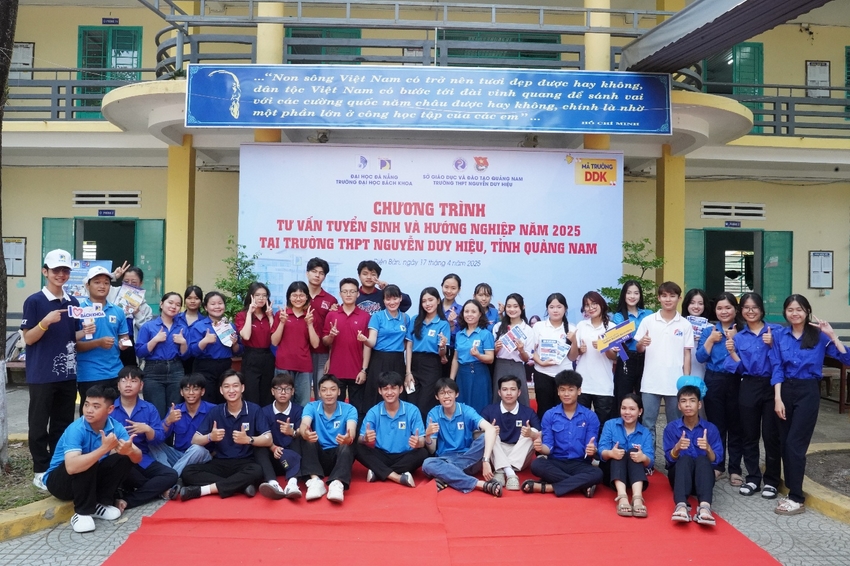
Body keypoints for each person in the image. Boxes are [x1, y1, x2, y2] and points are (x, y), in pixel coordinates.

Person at [770, 294, 850, 515]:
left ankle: (797, 497)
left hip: (808, 391)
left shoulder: (819, 336)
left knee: (795, 444)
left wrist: (832, 334)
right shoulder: (780, 335)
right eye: (790, 310)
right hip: (785, 391)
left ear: (807, 311)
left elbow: (846, 358)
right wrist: (777, 398)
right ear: (785, 312)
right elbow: (777, 367)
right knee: (785, 443)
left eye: (799, 309)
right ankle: (792, 491)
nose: (795, 313)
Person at [43, 384, 141, 533]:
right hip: (60, 483)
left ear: (110, 409)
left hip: (88, 480)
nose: (89, 410)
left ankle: (100, 503)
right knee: (88, 461)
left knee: (124, 457)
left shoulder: (115, 427)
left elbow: (137, 458)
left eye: (96, 406)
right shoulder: (76, 429)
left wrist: (130, 451)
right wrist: (104, 449)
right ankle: (82, 512)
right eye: (86, 404)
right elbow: (71, 467)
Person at [21, 249, 80, 491]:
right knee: (38, 424)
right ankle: (40, 469)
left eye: (65, 270)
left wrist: (88, 331)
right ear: (45, 271)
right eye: (56, 270)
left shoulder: (73, 302)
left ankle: (57, 466)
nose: (61, 274)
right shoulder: (34, 301)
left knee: (63, 423)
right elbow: (28, 338)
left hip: (67, 373)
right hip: (42, 373)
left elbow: (72, 336)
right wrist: (45, 322)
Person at [180, 370, 272, 501]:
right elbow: (195, 440)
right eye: (227, 386)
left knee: (257, 471)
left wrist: (248, 439)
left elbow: (268, 439)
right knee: (188, 472)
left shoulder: (254, 409)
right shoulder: (215, 411)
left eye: (235, 386)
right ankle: (241, 485)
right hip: (220, 462)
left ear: (242, 388)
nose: (231, 390)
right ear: (221, 390)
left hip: (245, 462)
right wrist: (210, 437)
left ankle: (202, 490)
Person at [724, 292, 781, 499]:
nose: (750, 311)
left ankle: (772, 481)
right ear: (741, 311)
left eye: (754, 307)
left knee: (771, 435)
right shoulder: (738, 337)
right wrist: (731, 351)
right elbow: (737, 368)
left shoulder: (776, 331)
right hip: (748, 385)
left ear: (761, 310)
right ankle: (753, 478)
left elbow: (783, 359)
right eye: (746, 308)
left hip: (772, 384)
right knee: (749, 434)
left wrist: (773, 344)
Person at [634, 281, 694, 453]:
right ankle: (648, 459)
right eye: (664, 296)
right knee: (647, 423)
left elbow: (687, 354)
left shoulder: (685, 324)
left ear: (679, 298)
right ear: (659, 298)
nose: (668, 299)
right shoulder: (648, 321)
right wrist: (642, 343)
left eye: (672, 296)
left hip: (675, 383)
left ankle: (673, 459)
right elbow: (639, 349)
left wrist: (686, 382)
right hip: (651, 382)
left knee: (675, 424)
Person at [524, 370, 602, 498]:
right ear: (558, 392)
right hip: (556, 462)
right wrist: (540, 447)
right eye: (562, 389)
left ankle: (548, 487)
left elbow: (591, 448)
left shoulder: (590, 416)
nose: (566, 394)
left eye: (571, 390)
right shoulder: (550, 415)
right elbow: (548, 448)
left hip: (580, 463)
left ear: (579, 391)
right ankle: (581, 486)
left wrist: (592, 450)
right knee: (537, 465)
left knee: (598, 474)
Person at [110, 366, 179, 510]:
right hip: (118, 460)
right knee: (128, 473)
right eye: (124, 381)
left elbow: (159, 438)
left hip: (143, 458)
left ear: (141, 385)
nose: (128, 385)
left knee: (171, 475)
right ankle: (158, 491)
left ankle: (128, 500)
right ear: (118, 385)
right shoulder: (110, 409)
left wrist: (147, 429)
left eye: (133, 381)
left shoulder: (149, 408)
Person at [421, 378, 502, 497]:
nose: (446, 396)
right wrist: (427, 436)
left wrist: (486, 461)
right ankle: (480, 484)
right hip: (446, 459)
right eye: (442, 393)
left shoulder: (466, 410)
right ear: (437, 397)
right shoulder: (434, 413)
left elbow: (490, 429)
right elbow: (432, 449)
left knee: (488, 435)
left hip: (469, 458)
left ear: (457, 394)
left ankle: (446, 476)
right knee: (427, 463)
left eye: (450, 392)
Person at [696, 292, 744, 485]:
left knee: (736, 425)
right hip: (714, 379)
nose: (724, 311)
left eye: (728, 307)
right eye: (720, 308)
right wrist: (710, 340)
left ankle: (735, 468)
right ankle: (718, 465)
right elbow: (700, 357)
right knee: (716, 425)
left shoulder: (743, 330)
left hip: (737, 379)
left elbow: (748, 359)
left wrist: (737, 340)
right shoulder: (709, 331)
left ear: (735, 309)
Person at [663, 379, 723, 525]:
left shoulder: (710, 428)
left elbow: (717, 460)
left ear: (699, 404)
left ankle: (704, 508)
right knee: (684, 459)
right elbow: (669, 460)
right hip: (679, 478)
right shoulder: (671, 428)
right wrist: (677, 448)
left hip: (703, 479)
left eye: (692, 401)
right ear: (679, 406)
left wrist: (708, 449)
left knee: (703, 460)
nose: (688, 405)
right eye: (683, 401)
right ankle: (681, 506)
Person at [356, 371, 428, 487]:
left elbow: (422, 440)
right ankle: (398, 477)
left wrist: (418, 443)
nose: (389, 392)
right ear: (380, 391)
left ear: (401, 389)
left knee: (423, 453)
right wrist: (365, 438)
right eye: (385, 389)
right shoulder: (374, 411)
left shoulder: (412, 410)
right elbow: (360, 439)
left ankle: (379, 472)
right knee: (357, 448)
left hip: (405, 455)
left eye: (393, 388)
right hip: (381, 454)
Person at [75, 265, 130, 414]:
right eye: (97, 282)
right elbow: (74, 345)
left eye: (106, 283)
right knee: (92, 416)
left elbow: (124, 337)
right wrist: (98, 343)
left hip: (116, 372)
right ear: (87, 285)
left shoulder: (118, 311)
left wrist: (124, 343)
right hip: (89, 374)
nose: (102, 286)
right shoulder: (79, 311)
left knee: (117, 415)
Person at [298, 374, 358, 504]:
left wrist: (348, 437)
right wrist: (305, 432)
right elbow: (304, 424)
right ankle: (315, 481)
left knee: (348, 444)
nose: (328, 393)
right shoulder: (311, 406)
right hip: (318, 457)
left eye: (333, 389)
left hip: (338, 457)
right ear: (319, 393)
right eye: (324, 390)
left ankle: (337, 483)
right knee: (305, 438)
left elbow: (351, 429)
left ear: (339, 391)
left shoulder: (350, 409)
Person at [480, 375, 540, 491]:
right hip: (498, 451)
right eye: (505, 389)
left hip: (520, 454)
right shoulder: (489, 410)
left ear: (519, 392)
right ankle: (510, 473)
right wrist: (489, 430)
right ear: (499, 392)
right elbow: (476, 434)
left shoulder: (528, 412)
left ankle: (501, 469)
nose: (508, 393)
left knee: (533, 431)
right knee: (490, 431)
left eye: (513, 389)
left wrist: (531, 434)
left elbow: (541, 435)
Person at [360, 284, 411, 419]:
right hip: (379, 360)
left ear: (400, 299)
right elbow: (372, 342)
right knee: (377, 394)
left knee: (397, 393)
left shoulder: (405, 318)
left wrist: (408, 372)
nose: (392, 302)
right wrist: (365, 340)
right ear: (383, 300)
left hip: (398, 361)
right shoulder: (377, 317)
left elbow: (407, 345)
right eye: (388, 299)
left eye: (395, 298)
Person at [135, 292, 189, 418]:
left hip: (176, 371)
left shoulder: (182, 328)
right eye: (170, 302)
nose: (173, 306)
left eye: (178, 305)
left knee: (174, 413)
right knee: (156, 413)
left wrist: (183, 343)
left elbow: (186, 356)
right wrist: (155, 340)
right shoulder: (148, 326)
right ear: (161, 304)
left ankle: (171, 433)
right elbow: (139, 352)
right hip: (153, 372)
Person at [598, 394, 653, 518]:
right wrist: (610, 453)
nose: (627, 412)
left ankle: (637, 498)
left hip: (634, 477)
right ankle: (622, 497)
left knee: (634, 452)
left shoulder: (645, 432)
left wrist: (643, 458)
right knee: (619, 451)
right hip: (612, 475)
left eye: (632, 409)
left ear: (640, 411)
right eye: (624, 408)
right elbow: (601, 450)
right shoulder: (610, 425)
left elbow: (650, 461)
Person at [568, 291, 617, 430]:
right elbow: (572, 357)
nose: (591, 308)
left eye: (594, 303)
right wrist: (577, 348)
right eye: (587, 305)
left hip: (603, 384)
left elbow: (614, 357)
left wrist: (604, 347)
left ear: (601, 304)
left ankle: (600, 446)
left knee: (603, 425)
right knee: (581, 424)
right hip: (583, 383)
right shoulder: (581, 326)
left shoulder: (611, 327)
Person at [323, 278, 372, 416]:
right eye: (345, 291)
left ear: (358, 294)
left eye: (352, 291)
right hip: (336, 372)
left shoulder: (365, 316)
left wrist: (364, 370)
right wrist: (331, 336)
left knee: (357, 411)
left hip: (357, 372)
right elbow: (325, 342)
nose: (348, 294)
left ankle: (355, 432)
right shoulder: (331, 315)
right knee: (335, 410)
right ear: (340, 294)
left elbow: (367, 346)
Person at [150, 372, 214, 477]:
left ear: (202, 392)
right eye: (187, 389)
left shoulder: (212, 410)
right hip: (178, 455)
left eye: (195, 389)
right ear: (181, 392)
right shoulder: (175, 410)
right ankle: (173, 473)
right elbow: (158, 435)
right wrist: (168, 421)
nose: (191, 393)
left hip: (201, 456)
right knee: (151, 442)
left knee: (198, 449)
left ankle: (169, 477)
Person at [271, 281, 320, 407]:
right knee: (283, 402)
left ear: (307, 297)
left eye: (301, 295)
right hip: (283, 364)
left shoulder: (311, 316)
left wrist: (309, 324)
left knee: (303, 403)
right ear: (289, 297)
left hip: (304, 366)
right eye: (294, 295)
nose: (298, 299)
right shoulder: (281, 314)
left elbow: (315, 344)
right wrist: (282, 322)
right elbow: (274, 341)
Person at [404, 287, 450, 418]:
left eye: (431, 300)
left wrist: (442, 346)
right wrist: (408, 372)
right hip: (413, 364)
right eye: (424, 301)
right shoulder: (415, 320)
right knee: (411, 401)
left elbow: (442, 354)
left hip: (432, 366)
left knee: (425, 404)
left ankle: (425, 430)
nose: (427, 304)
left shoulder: (443, 323)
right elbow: (409, 346)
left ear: (438, 301)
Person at [189, 291, 242, 404]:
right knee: (208, 401)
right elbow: (192, 352)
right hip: (205, 367)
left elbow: (238, 351)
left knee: (225, 400)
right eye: (213, 304)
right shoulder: (199, 326)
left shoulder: (230, 326)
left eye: (220, 303)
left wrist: (235, 344)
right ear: (205, 307)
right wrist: (205, 341)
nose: (217, 306)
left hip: (225, 366)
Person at [259, 372, 304, 499]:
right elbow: (263, 435)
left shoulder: (299, 410)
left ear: (293, 391)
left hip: (293, 458)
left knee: (300, 439)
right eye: (279, 389)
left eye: (287, 389)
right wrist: (272, 447)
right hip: (273, 457)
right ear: (272, 391)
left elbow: (303, 431)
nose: (283, 392)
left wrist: (292, 432)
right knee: (258, 448)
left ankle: (293, 483)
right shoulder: (264, 412)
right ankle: (272, 483)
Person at [531, 293, 575, 420]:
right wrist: (541, 362)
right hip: (542, 373)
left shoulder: (572, 328)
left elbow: (573, 357)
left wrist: (574, 341)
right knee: (544, 410)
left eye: (559, 307)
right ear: (547, 309)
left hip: (564, 375)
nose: (555, 310)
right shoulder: (539, 326)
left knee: (564, 410)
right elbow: (531, 350)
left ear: (565, 308)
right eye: (551, 307)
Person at [611, 281, 653, 410]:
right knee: (622, 395)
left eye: (636, 293)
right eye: (629, 293)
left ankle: (641, 421)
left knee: (643, 396)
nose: (632, 296)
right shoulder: (618, 316)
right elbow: (621, 338)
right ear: (624, 295)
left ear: (640, 295)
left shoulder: (648, 314)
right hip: (626, 359)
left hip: (647, 358)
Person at [235, 282, 277, 406]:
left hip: (267, 356)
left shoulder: (269, 315)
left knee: (267, 394)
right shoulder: (242, 315)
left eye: (264, 295)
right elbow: (246, 336)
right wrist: (249, 313)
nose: (261, 298)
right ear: (251, 296)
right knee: (251, 394)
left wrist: (270, 317)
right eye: (257, 295)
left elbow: (275, 338)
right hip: (250, 356)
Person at [451, 299, 495, 413]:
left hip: (479, 373)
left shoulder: (486, 334)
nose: (469, 314)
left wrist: (478, 355)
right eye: (466, 311)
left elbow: (490, 358)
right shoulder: (459, 334)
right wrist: (451, 379)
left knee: (480, 407)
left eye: (473, 312)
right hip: (462, 374)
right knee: (462, 407)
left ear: (480, 314)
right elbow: (455, 358)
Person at [305, 258, 339, 400]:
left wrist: (330, 358)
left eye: (321, 273)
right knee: (303, 394)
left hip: (322, 353)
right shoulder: (298, 296)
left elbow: (333, 332)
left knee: (323, 392)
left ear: (325, 276)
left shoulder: (331, 300)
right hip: (302, 352)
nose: (317, 275)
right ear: (307, 273)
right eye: (314, 271)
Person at [492, 293, 534, 406]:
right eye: (509, 306)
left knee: (520, 398)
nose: (512, 309)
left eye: (515, 306)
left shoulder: (528, 330)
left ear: (522, 307)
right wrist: (496, 348)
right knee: (498, 397)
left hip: (517, 367)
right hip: (500, 366)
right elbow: (493, 354)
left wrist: (521, 350)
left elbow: (526, 358)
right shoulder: (498, 327)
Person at [108, 264, 153, 367]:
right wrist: (113, 276)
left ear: (141, 283)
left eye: (134, 282)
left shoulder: (146, 308)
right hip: (112, 342)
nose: (129, 285)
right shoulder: (113, 293)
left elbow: (148, 331)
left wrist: (137, 314)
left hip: (132, 345)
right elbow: (87, 285)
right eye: (126, 281)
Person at [682, 288, 710, 380]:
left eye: (700, 303)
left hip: (701, 369)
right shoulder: (678, 324)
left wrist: (706, 340)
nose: (696, 306)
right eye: (692, 303)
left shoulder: (711, 328)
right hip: (679, 369)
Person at [176, 285, 204, 377]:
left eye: (196, 298)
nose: (192, 301)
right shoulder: (175, 318)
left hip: (198, 361)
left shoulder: (205, 321)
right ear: (184, 300)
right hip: (177, 360)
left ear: (201, 301)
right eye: (189, 298)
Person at [440, 274, 463, 377]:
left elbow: (462, 336)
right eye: (446, 287)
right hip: (433, 353)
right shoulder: (434, 307)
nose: (449, 291)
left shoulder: (462, 311)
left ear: (459, 289)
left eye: (453, 288)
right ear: (442, 286)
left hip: (453, 354)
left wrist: (452, 325)